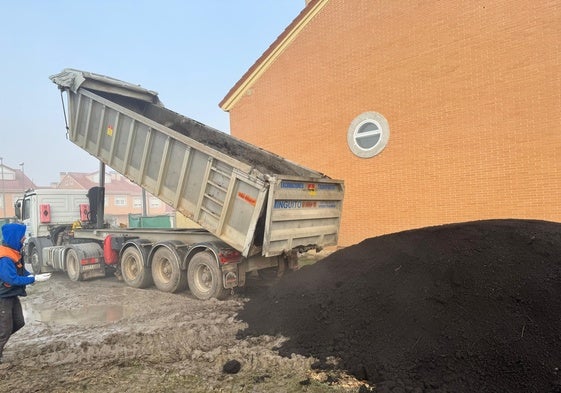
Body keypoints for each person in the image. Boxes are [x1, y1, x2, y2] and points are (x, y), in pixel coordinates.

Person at [0, 222, 49, 363]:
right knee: (4, 330)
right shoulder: (5, 258)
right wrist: (33, 279)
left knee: (19, 322)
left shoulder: (14, 251)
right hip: (3, 297)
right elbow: (11, 278)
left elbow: (20, 270)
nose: (23, 239)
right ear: (14, 237)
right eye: (21, 237)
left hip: (11, 295)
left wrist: (30, 275)